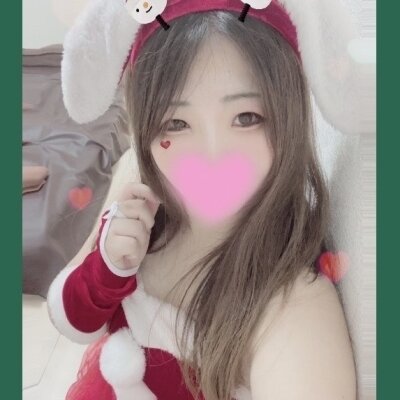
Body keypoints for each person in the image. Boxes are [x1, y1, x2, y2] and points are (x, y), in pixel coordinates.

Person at [47, 1, 357, 399]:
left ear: (289, 112)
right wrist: (107, 269)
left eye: (246, 117)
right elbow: (73, 319)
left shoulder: (293, 304)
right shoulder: (140, 193)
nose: (213, 155)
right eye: (176, 123)